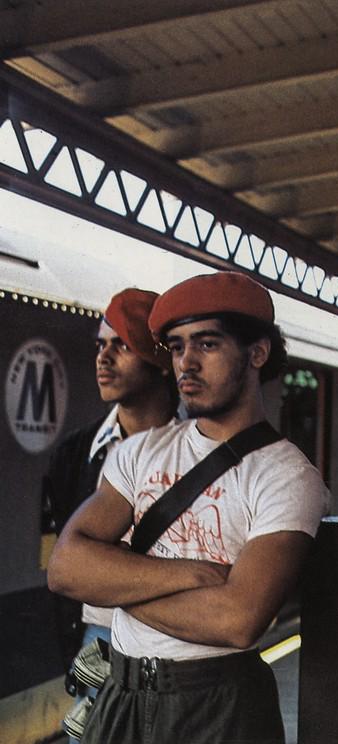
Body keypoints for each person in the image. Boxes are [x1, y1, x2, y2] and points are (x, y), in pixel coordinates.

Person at [47, 271, 329, 744]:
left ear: (257, 353)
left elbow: (237, 621)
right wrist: (192, 575)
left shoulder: (286, 475)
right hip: (122, 693)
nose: (186, 364)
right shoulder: (139, 453)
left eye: (207, 345)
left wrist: (116, 584)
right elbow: (65, 567)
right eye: (177, 348)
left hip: (216, 703)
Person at [39, 288, 176, 740]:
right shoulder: (73, 455)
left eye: (121, 345)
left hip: (171, 650)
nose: (103, 357)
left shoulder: (198, 454)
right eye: (101, 345)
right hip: (92, 645)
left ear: (158, 359)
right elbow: (58, 561)